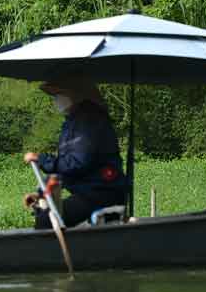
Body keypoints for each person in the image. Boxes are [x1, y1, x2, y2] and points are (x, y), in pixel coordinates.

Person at [23, 75, 128, 228]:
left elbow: (76, 162)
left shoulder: (89, 122)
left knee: (46, 220)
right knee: (44, 214)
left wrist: (41, 159)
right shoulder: (74, 121)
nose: (56, 100)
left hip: (102, 193)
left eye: (59, 95)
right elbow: (66, 164)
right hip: (90, 192)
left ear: (75, 94)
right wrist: (41, 193)